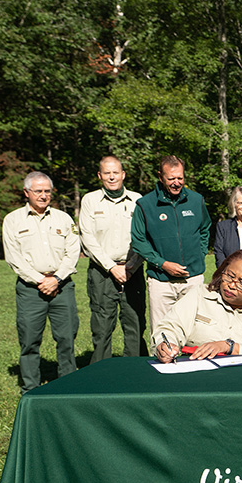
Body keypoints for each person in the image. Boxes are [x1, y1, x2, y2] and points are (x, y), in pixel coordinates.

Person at [2, 172, 80, 393]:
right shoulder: (13, 220)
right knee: (29, 341)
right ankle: (30, 389)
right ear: (26, 193)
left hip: (62, 286)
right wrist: (41, 280)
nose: (44, 195)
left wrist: (56, 279)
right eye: (38, 191)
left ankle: (68, 386)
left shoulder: (63, 219)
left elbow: (73, 251)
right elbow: (13, 258)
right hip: (30, 289)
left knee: (66, 338)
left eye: (47, 191)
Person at [153, 248, 242, 361]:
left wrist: (232, 348)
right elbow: (171, 326)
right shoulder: (200, 295)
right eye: (229, 276)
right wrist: (165, 344)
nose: (231, 285)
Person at [78, 155, 147, 363]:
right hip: (102, 273)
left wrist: (132, 265)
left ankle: (134, 373)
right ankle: (101, 375)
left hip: (133, 271)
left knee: (135, 324)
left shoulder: (138, 200)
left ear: (123, 174)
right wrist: (111, 267)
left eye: (115, 172)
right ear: (100, 176)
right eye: (106, 173)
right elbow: (87, 238)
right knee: (102, 327)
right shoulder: (90, 200)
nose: (111, 177)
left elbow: (146, 236)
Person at [131, 155, 212, 330]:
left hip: (193, 279)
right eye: (171, 178)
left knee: (195, 332)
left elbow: (205, 229)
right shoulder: (145, 205)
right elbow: (138, 240)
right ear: (160, 177)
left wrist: (200, 253)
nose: (176, 183)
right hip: (161, 282)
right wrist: (162, 264)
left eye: (180, 178)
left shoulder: (196, 200)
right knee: (162, 333)